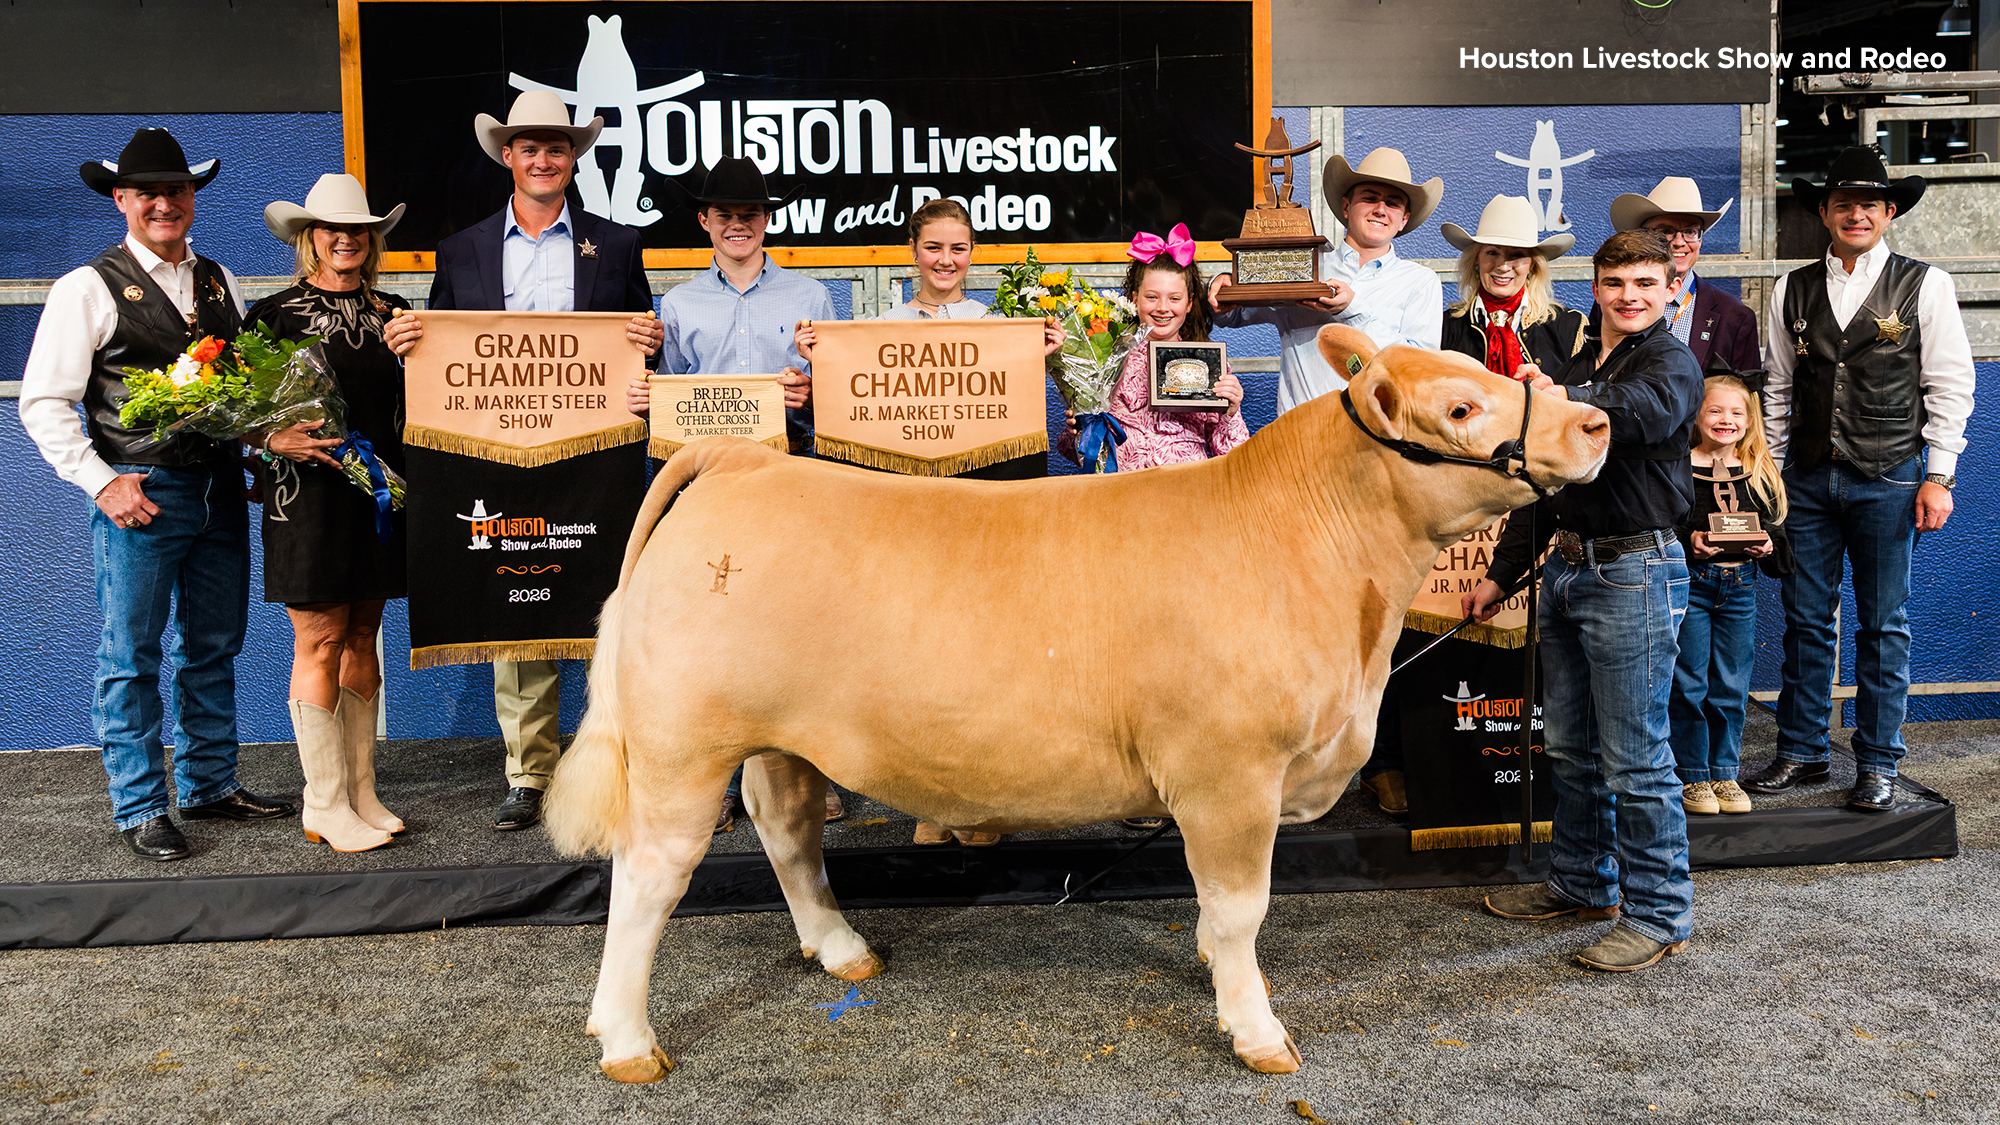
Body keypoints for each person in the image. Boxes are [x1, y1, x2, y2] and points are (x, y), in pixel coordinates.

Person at [384, 90, 664, 832]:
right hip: (501, 453)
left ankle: (626, 761)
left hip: (596, 454)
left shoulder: (618, 244)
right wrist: (416, 344)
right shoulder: (463, 249)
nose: (544, 159)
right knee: (522, 599)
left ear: (574, 158)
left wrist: (648, 352)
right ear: (507, 156)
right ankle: (529, 772)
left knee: (609, 607)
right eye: (530, 148)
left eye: (558, 147)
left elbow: (644, 350)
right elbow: (445, 349)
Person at [19, 128, 294, 861]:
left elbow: (240, 393)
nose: (165, 203)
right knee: (131, 653)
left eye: (177, 190)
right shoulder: (86, 286)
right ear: (121, 200)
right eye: (149, 193)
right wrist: (102, 481)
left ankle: (209, 784)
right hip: (139, 492)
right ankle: (141, 804)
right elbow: (43, 403)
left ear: (193, 198)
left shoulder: (221, 280)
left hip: (216, 491)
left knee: (214, 645)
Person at [1464, 229, 1704, 972]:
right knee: (1570, 745)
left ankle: (1661, 914)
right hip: (1569, 571)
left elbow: (1641, 413)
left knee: (1635, 757)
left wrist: (1561, 398)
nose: (1629, 295)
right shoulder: (1574, 360)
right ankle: (1582, 879)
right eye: (1614, 283)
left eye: (1644, 283)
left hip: (1635, 570)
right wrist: (1503, 573)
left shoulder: (1671, 361)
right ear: (1594, 289)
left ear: (1671, 290)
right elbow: (1546, 484)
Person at [1747, 147, 1974, 812]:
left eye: (1869, 203)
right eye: (1843, 202)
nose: (1855, 213)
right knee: (1805, 620)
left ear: (1889, 212)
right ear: (1823, 211)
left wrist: (1940, 476)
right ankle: (1803, 751)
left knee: (1884, 624)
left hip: (1891, 477)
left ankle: (1877, 762)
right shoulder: (1792, 288)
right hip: (1809, 481)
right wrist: (1774, 482)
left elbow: (1950, 385)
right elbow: (1779, 394)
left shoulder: (1925, 284)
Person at [623, 156, 833, 833]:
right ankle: (711, 781)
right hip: (708, 496)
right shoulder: (679, 304)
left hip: (787, 483)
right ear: (705, 222)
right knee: (710, 636)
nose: (737, 224)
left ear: (767, 220)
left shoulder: (811, 297)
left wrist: (813, 394)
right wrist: (645, 399)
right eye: (725, 214)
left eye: (750, 213)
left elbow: (842, 400)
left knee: (794, 632)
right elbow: (673, 399)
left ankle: (800, 778)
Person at [243, 174, 411, 853]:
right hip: (304, 500)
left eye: (359, 228)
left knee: (364, 636)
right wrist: (266, 437)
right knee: (317, 639)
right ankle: (323, 800)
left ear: (372, 240)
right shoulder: (272, 315)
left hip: (375, 495)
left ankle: (361, 788)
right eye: (332, 228)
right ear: (308, 238)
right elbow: (230, 406)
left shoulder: (397, 313)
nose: (346, 237)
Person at [1208, 146, 1445, 409]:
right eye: (1370, 198)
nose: (1380, 209)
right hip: (1300, 440)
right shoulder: (1302, 266)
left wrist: (1353, 311)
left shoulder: (1421, 281)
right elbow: (1233, 315)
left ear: (1403, 219)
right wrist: (1223, 287)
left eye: (1392, 203)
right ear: (1346, 206)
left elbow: (1419, 366)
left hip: (1377, 445)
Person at [1671, 374, 1790, 816]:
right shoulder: (1678, 467)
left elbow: (1778, 529)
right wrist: (1690, 542)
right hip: (1693, 587)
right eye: (1715, 411)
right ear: (1696, 415)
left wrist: (1769, 545)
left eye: (1737, 413)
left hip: (1740, 589)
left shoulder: (1758, 469)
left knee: (1731, 684)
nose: (1726, 420)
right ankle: (1694, 776)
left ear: (1750, 420)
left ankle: (1724, 771)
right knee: (1689, 683)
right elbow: (1666, 526)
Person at [1601, 176, 1760, 371]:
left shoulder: (1734, 316)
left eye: (1690, 231)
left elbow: (1747, 397)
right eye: (1666, 231)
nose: (1679, 242)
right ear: (1642, 235)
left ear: (1700, 239)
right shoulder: (1613, 300)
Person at [1439, 194, 1584, 380]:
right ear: (1477, 258)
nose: (1503, 266)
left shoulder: (1568, 327)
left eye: (1516, 255)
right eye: (1492, 252)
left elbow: (1578, 404)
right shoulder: (1444, 327)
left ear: (1532, 264)